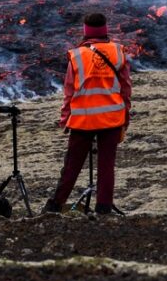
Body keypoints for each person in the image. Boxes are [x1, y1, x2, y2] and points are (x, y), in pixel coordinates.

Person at [44, 12, 132, 215]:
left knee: (71, 167)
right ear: (105, 29)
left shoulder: (76, 55)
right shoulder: (118, 52)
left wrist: (65, 119)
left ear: (85, 31)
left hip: (82, 119)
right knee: (106, 166)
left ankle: (55, 207)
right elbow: (126, 88)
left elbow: (69, 91)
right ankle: (103, 209)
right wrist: (125, 115)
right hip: (111, 118)